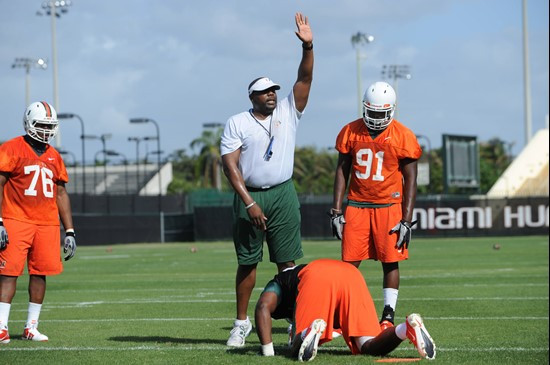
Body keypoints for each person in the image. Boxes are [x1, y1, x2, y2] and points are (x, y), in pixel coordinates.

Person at [220, 12, 314, 347]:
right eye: (264, 92)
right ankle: (241, 323)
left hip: (283, 193)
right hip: (250, 196)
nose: (272, 94)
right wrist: (249, 202)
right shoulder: (237, 122)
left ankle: (293, 322)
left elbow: (304, 79)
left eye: (273, 89)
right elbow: (230, 166)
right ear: (252, 98)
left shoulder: (289, 111)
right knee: (247, 262)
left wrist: (308, 47)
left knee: (287, 263)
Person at [330, 81, 421, 331]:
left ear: (391, 110)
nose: (376, 119)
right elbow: (342, 170)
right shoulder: (350, 131)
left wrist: (406, 218)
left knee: (390, 261)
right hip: (357, 205)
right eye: (372, 112)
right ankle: (341, 313)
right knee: (348, 265)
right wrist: (336, 210)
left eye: (381, 114)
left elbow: (411, 179)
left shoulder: (403, 135)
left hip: (389, 205)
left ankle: (388, 314)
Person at [0, 101, 76, 344]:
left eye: (49, 126)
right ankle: (1, 327)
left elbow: (61, 193)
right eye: (41, 124)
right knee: (8, 273)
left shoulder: (54, 156)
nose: (45, 130)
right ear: (29, 123)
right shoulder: (12, 148)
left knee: (40, 273)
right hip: (16, 218)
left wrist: (70, 231)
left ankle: (31, 327)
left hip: (46, 224)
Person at [255, 259, 436, 361]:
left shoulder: (279, 281)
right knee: (368, 345)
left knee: (296, 349)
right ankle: (406, 328)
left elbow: (262, 306)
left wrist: (268, 351)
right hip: (351, 273)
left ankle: (308, 331)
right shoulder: (290, 283)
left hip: (317, 275)